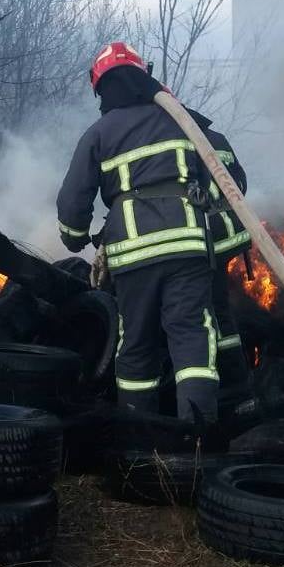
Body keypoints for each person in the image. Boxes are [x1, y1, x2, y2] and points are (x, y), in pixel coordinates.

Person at [57, 42, 220, 423]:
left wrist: (76, 237)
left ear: (101, 89)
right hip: (187, 248)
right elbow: (220, 184)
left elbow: (72, 205)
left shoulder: (99, 133)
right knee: (192, 337)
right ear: (143, 76)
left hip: (133, 255)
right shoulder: (183, 120)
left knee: (136, 344)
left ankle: (140, 440)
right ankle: (198, 437)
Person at [190, 110, 254, 412]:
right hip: (233, 234)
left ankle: (228, 378)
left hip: (209, 239)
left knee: (210, 312)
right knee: (223, 309)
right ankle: (239, 376)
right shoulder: (219, 138)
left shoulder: (182, 139)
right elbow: (240, 183)